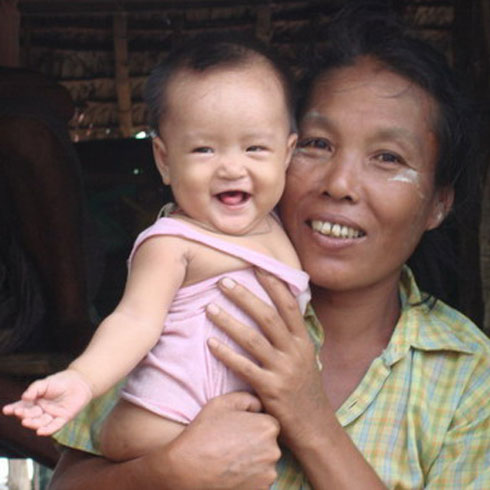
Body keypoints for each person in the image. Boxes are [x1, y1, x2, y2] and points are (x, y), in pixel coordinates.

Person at [47, 5, 490, 490]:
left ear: (438, 204)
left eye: (387, 157)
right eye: (318, 145)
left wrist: (311, 420)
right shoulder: (194, 288)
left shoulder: (468, 372)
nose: (340, 184)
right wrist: (168, 470)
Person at [3, 34, 309, 463]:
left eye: (255, 148)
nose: (231, 167)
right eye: (204, 149)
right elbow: (134, 320)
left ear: (287, 153)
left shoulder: (281, 229)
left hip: (239, 428)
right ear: (165, 161)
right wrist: (82, 380)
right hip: (164, 422)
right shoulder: (173, 242)